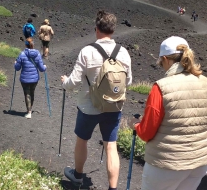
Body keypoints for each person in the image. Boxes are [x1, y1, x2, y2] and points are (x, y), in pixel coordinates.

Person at [61, 10, 132, 190]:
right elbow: (128, 81)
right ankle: (113, 188)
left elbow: (73, 83)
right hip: (114, 107)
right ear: (113, 30)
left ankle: (77, 176)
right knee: (111, 146)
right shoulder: (123, 53)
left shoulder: (87, 51)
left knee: (82, 140)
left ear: (96, 29)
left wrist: (64, 83)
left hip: (88, 107)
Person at [129, 36, 207, 190]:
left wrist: (136, 125)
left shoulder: (161, 88)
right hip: (198, 163)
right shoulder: (204, 82)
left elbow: (147, 132)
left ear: (165, 59)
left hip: (166, 164)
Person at [14, 37, 46, 119]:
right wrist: (45, 67)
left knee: (27, 94)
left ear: (25, 44)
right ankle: (30, 109)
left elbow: (17, 68)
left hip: (24, 78)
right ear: (33, 44)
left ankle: (29, 112)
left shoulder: (22, 54)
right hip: (34, 78)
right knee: (32, 93)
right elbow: (42, 69)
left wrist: (15, 63)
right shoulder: (38, 54)